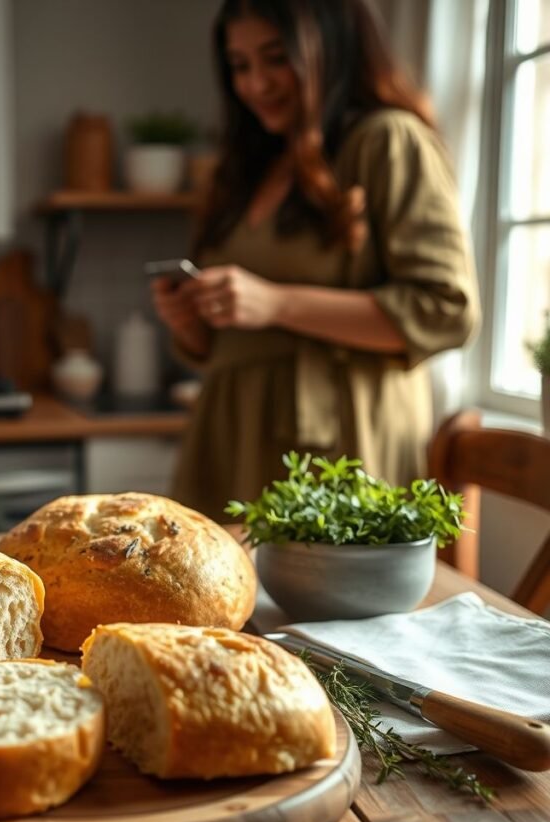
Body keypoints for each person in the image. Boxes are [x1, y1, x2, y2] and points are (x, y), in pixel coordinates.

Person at [153, 0, 478, 520]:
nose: (257, 83)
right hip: (228, 434)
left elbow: (446, 310)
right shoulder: (246, 170)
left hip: (337, 443)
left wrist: (277, 303)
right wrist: (190, 322)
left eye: (275, 57)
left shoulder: (387, 141)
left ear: (331, 48)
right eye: (240, 66)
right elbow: (220, 342)